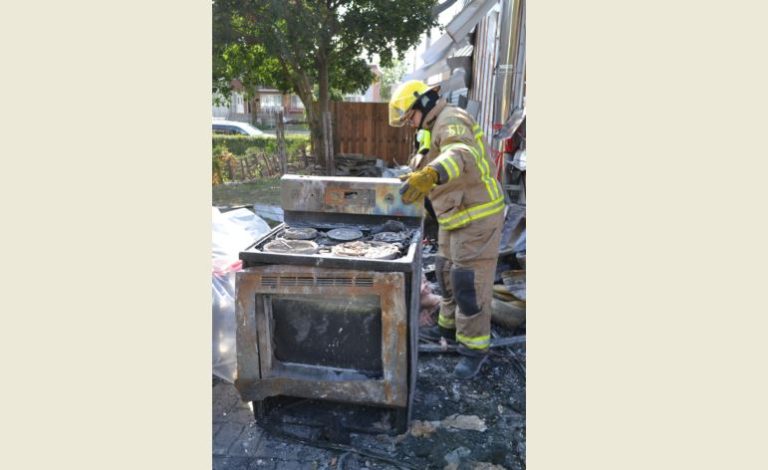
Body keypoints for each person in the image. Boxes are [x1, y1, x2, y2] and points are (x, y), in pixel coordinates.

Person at [389, 80, 506, 379]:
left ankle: (474, 351)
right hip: (453, 217)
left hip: (477, 218)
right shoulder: (430, 128)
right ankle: (450, 329)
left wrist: (430, 174)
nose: (409, 124)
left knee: (468, 285)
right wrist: (416, 174)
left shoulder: (451, 120)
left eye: (409, 117)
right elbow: (430, 163)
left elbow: (460, 156)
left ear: (423, 104)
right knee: (445, 272)